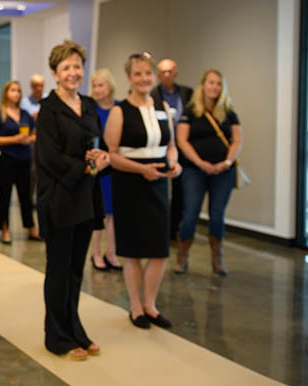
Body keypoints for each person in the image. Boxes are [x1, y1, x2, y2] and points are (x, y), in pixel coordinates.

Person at [36, 40, 110, 361]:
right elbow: (49, 158)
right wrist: (88, 165)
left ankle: (75, 328)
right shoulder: (48, 110)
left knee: (76, 271)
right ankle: (57, 336)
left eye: (77, 66)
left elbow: (98, 141)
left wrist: (100, 155)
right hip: (59, 197)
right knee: (59, 270)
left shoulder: (90, 105)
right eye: (65, 67)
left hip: (85, 196)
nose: (73, 72)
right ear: (55, 73)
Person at [104, 52, 182, 330]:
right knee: (134, 250)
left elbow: (171, 144)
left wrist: (173, 163)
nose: (144, 78)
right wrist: (141, 169)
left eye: (147, 73)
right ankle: (135, 307)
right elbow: (111, 155)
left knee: (159, 250)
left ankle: (150, 304)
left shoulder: (162, 107)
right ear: (129, 77)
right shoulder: (119, 110)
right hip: (130, 184)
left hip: (159, 183)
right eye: (138, 73)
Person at [176, 69, 242, 276]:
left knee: (217, 215)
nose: (214, 87)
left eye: (218, 84)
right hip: (194, 170)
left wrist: (227, 161)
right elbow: (182, 140)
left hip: (223, 172)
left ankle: (217, 258)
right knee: (190, 214)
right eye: (210, 82)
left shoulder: (229, 111)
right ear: (203, 84)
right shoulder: (190, 110)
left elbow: (237, 140)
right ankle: (182, 257)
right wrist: (201, 163)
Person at [0, 80, 40, 244]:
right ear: (6, 93)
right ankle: (5, 228)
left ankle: (31, 227)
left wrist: (28, 139)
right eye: (12, 90)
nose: (16, 93)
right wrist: (14, 139)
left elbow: (34, 133)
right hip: (6, 159)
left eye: (18, 90)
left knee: (26, 196)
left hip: (24, 159)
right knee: (5, 195)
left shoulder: (25, 114)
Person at [152, 59, 193, 241]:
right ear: (158, 75)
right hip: (161, 148)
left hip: (184, 148)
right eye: (163, 72)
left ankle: (174, 229)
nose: (166, 75)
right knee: (159, 188)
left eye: (170, 71)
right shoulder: (153, 95)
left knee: (181, 192)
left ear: (175, 72)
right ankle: (160, 228)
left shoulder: (187, 93)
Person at [88, 69, 122, 271]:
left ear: (109, 86)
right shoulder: (90, 108)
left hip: (116, 165)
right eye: (94, 86)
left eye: (100, 85)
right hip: (98, 165)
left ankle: (112, 253)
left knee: (113, 214)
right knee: (97, 213)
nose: (97, 89)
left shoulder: (119, 108)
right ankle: (96, 254)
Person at [22, 74, 45, 209]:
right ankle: (29, 200)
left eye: (41, 85)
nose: (39, 89)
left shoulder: (47, 100)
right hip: (31, 141)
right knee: (32, 171)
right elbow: (24, 121)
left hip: (45, 141)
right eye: (36, 86)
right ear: (31, 87)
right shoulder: (25, 102)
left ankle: (41, 198)